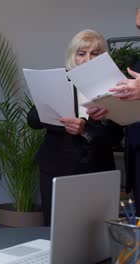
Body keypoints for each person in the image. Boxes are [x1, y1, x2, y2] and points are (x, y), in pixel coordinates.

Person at [27, 29, 124, 226]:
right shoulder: (58, 82)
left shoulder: (112, 87)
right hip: (56, 168)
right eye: (82, 53)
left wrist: (85, 129)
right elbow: (33, 120)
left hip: (96, 170)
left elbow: (115, 136)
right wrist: (60, 115)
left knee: (94, 230)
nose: (88, 59)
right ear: (74, 56)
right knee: (55, 227)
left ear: (102, 57)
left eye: (94, 53)